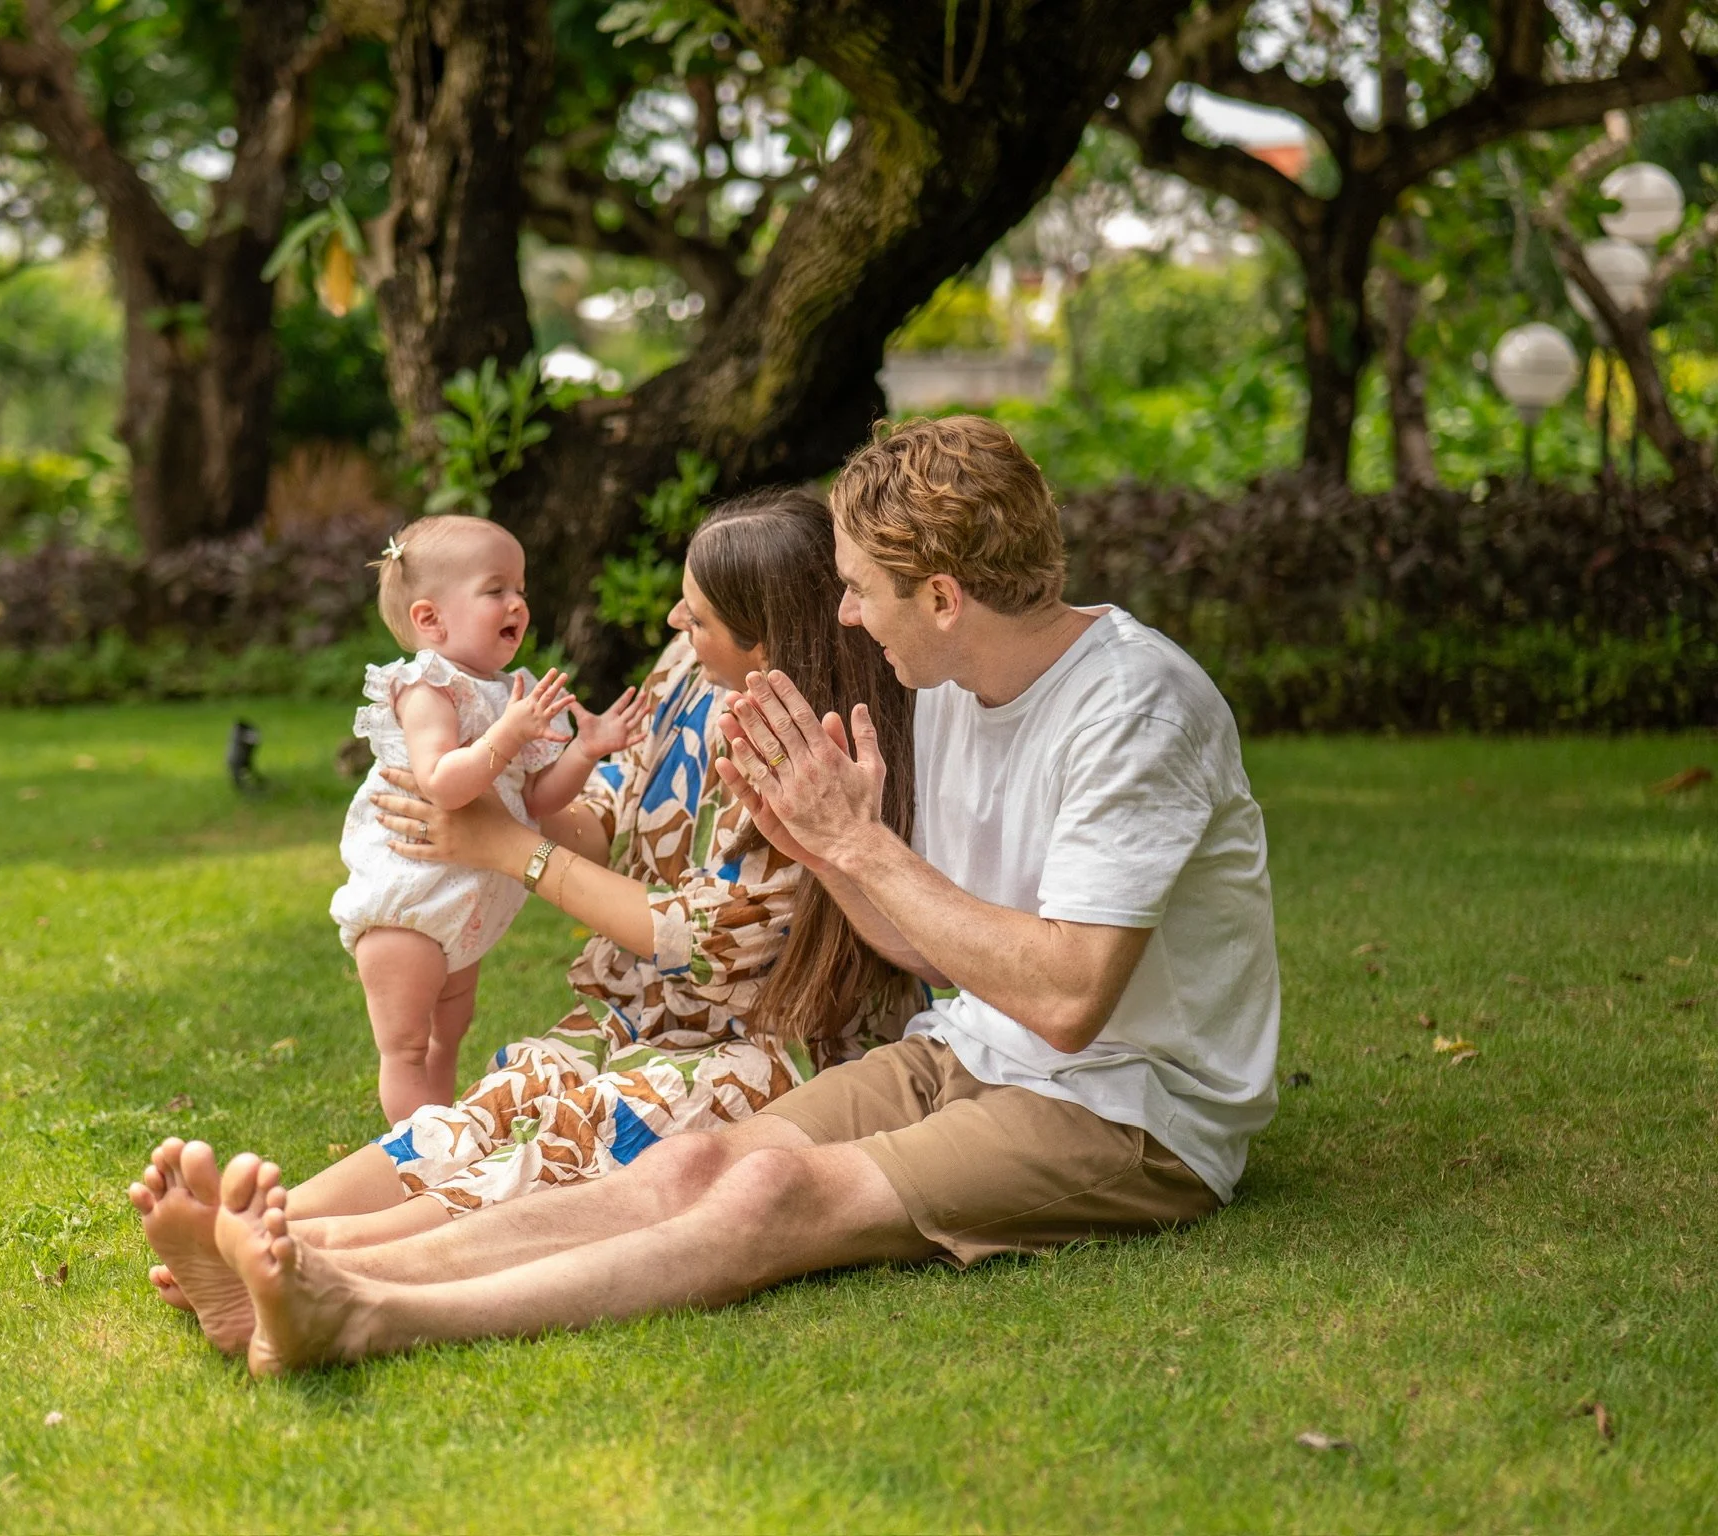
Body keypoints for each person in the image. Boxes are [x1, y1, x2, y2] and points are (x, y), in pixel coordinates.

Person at [146, 414, 1282, 1377]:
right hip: (972, 1044)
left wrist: (856, 845)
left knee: (764, 1200)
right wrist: (828, 848)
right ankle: (310, 1276)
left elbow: (1072, 998)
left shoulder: (1134, 709)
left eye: (857, 591)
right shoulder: (941, 685)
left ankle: (362, 1313)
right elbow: (934, 958)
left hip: (1126, 1109)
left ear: (941, 596)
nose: (843, 616)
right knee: (687, 1166)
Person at [129, 488, 917, 1356]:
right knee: (509, 1095)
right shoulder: (689, 671)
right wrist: (488, 812)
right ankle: (257, 1223)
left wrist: (510, 848)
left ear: (762, 636)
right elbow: (609, 805)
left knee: (565, 1142)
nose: (670, 619)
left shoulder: (818, 746)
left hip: (754, 1048)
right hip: (639, 1012)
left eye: (693, 616)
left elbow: (700, 942)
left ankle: (302, 1260)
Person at [330, 514, 648, 1120]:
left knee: (449, 1035)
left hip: (465, 904)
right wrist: (506, 733)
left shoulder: (511, 690)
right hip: (410, 903)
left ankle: (439, 1138)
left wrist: (584, 749)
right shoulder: (428, 687)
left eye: (521, 590)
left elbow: (535, 803)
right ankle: (411, 1155)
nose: (518, 604)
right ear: (430, 619)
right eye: (496, 589)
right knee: (406, 1045)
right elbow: (442, 783)